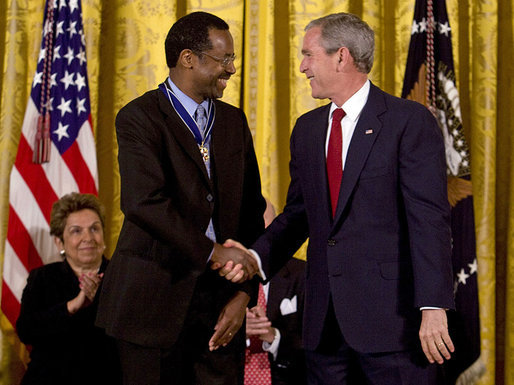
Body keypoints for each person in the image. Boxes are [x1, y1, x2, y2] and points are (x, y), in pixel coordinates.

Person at [222, 12, 455, 385]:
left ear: (341, 56)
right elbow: (300, 214)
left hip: (392, 328)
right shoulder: (308, 130)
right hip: (324, 329)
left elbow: (429, 220)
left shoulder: (408, 122)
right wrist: (254, 258)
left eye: (309, 55)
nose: (302, 67)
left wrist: (433, 306)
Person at [95, 11, 266, 385]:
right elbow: (144, 203)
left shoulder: (234, 122)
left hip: (219, 312)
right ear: (189, 58)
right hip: (150, 308)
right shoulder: (139, 117)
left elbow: (252, 212)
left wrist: (243, 295)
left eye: (233, 59)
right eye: (225, 60)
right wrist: (215, 252)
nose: (232, 69)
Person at [16, 192, 121, 385]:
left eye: (94, 229)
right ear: (59, 242)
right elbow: (26, 330)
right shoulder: (43, 278)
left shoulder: (121, 277)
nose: (88, 237)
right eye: (76, 231)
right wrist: (72, 306)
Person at [244, 201, 306, 385]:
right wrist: (235, 333)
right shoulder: (222, 275)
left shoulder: (303, 274)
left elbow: (319, 347)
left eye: (266, 226)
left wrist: (273, 337)